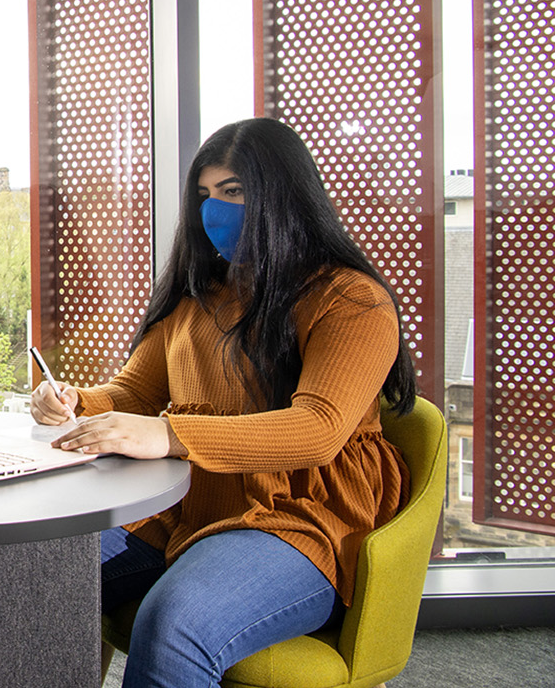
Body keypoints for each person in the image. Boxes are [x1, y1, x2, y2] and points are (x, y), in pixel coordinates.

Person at [31, 117, 416, 688]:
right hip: (188, 504)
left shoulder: (351, 299)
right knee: (31, 578)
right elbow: (135, 393)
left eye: (233, 192)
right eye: (205, 195)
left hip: (298, 517)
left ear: (283, 195)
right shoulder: (197, 298)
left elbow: (318, 428)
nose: (214, 212)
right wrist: (75, 400)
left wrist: (169, 435)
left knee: (174, 624)